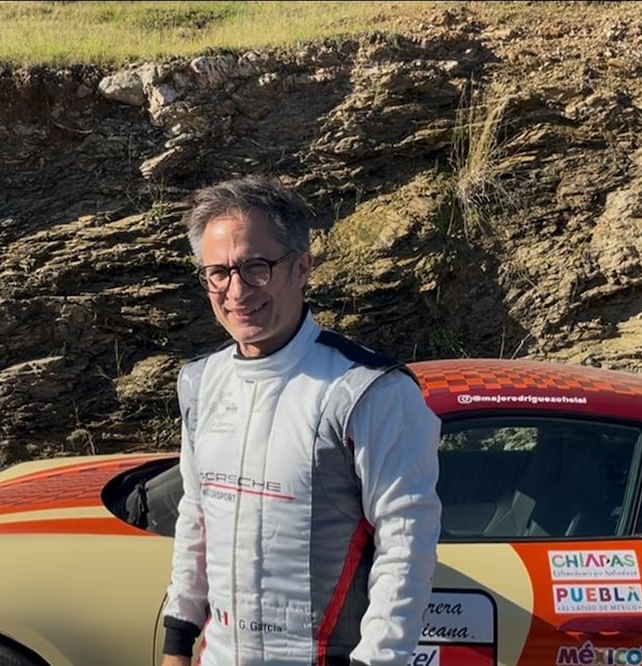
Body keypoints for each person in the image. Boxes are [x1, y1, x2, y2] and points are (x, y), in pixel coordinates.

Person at [160, 175, 442, 666]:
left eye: (256, 267)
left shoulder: (369, 389)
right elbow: (197, 515)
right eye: (218, 272)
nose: (236, 290)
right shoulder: (199, 382)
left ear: (302, 267)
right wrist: (178, 640)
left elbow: (406, 545)